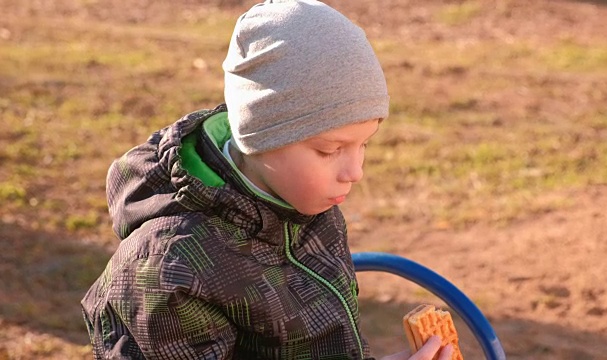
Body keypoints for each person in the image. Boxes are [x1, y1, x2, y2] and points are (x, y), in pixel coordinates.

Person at [81, 0, 453, 359]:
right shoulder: (169, 269)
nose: (355, 172)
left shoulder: (301, 203)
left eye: (364, 145)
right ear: (258, 137)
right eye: (328, 150)